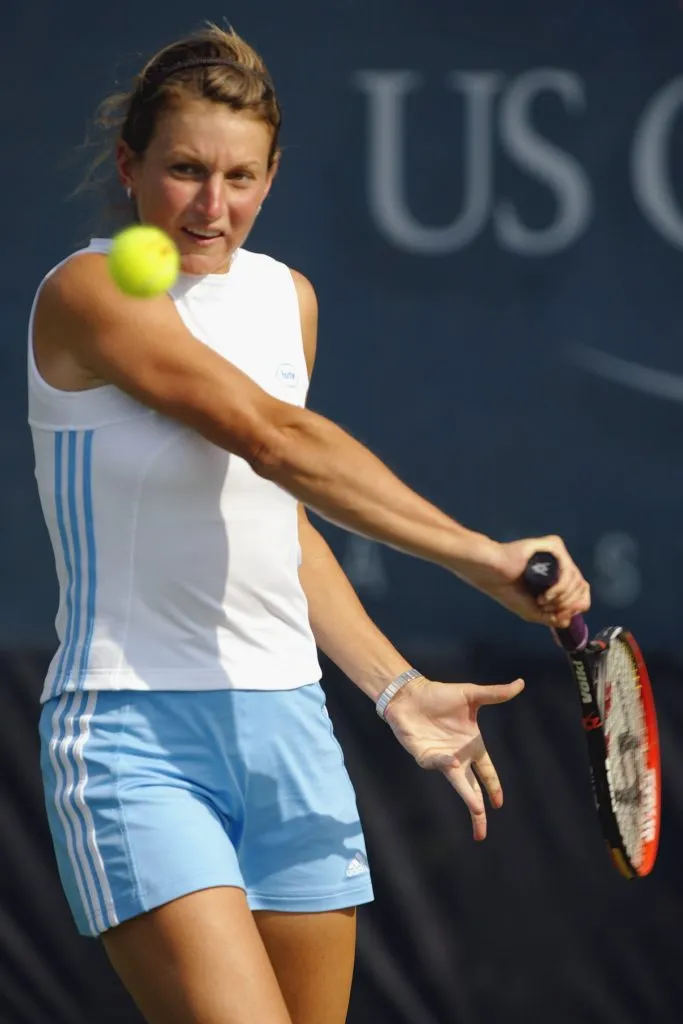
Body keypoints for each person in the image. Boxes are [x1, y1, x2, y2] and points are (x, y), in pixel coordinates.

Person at [27, 22, 590, 1024]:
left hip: (288, 730)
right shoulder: (89, 290)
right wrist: (477, 555)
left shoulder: (287, 300)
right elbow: (271, 436)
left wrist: (393, 686)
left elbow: (276, 522)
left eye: (240, 176)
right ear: (129, 166)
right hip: (133, 737)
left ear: (273, 175)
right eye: (185, 170)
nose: (212, 206)